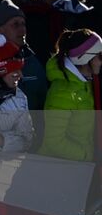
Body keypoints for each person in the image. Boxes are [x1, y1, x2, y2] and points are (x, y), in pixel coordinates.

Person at [39, 29, 101, 161]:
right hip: (59, 170)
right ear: (85, 58)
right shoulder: (63, 92)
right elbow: (53, 142)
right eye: (100, 56)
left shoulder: (84, 84)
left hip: (77, 167)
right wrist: (86, 156)